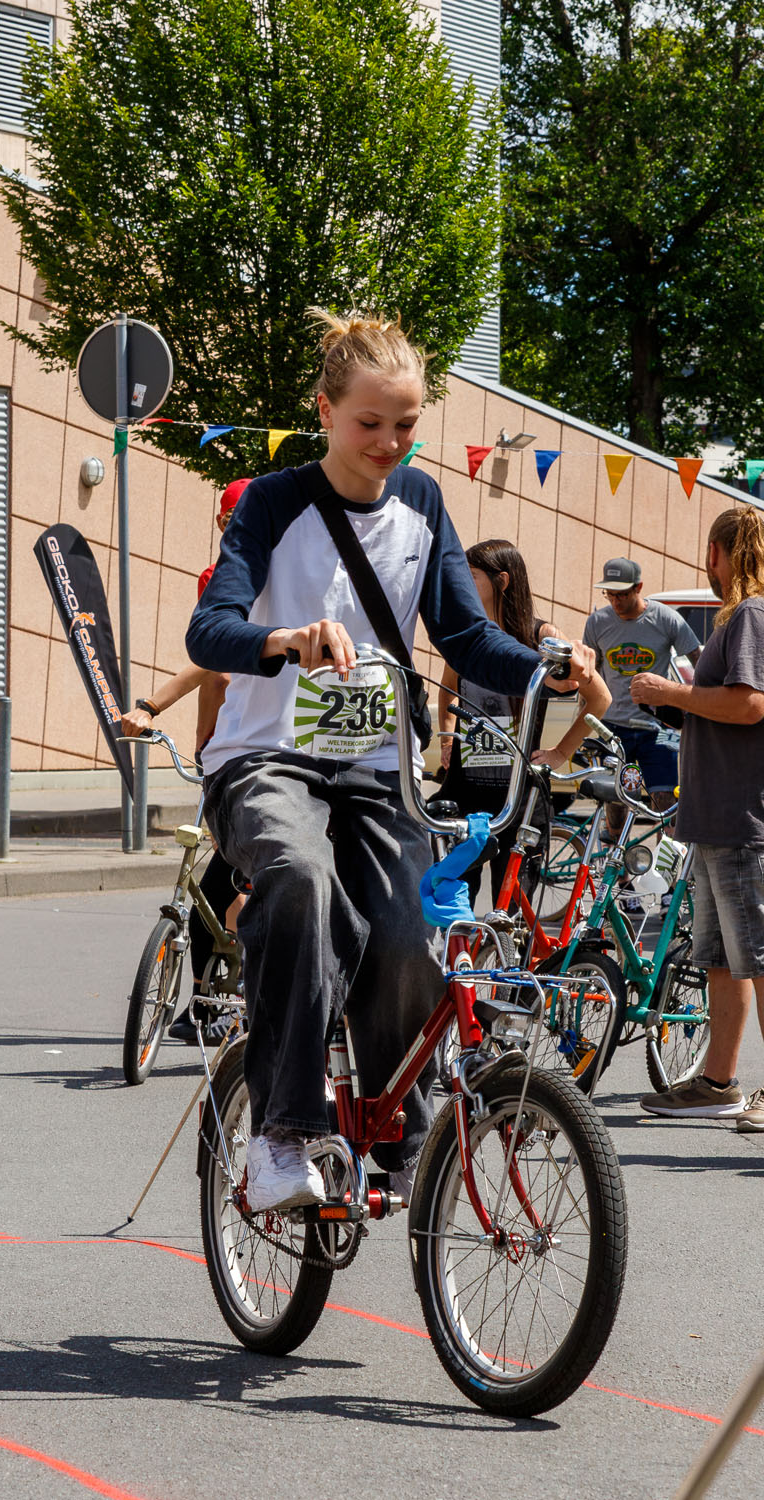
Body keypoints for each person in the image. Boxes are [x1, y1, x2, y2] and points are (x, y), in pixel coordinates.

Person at [186, 309, 595, 1212]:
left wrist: (548, 661)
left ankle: (397, 1137)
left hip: (375, 766)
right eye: (369, 423)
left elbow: (464, 635)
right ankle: (283, 1135)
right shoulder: (272, 503)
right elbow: (207, 629)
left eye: (406, 425)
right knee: (299, 878)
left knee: (414, 929)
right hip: (266, 759)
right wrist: (284, 639)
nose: (389, 443)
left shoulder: (422, 504)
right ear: (325, 411)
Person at [631, 508, 764, 1127]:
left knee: (758, 959)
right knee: (719, 957)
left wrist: (673, 694)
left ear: (718, 552)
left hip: (743, 819)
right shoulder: (737, 619)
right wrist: (680, 706)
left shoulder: (752, 615)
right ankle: (717, 1081)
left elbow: (750, 704)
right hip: (715, 819)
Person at [121, 479, 248, 1042]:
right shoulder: (215, 580)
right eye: (230, 521)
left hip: (264, 746)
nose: (237, 531)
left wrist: (152, 702)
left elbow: (220, 666)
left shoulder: (284, 580)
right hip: (222, 749)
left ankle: (247, 995)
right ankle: (204, 1000)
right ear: (221, 525)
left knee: (243, 886)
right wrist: (200, 746)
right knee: (212, 887)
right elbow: (211, 664)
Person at [437, 539, 611, 907]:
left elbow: (600, 699)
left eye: (471, 577)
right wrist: (448, 740)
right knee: (454, 905)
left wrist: (561, 752)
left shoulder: (542, 637)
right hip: (467, 793)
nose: (463, 585)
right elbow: (447, 690)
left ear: (502, 581)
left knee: (512, 911)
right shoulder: (468, 635)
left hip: (519, 797)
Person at [584, 556, 700, 837]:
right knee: (617, 799)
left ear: (639, 587)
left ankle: (666, 875)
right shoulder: (597, 623)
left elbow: (699, 660)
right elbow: (589, 673)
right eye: (610, 594)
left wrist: (695, 702)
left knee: (666, 803)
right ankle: (617, 876)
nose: (616, 601)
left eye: (622, 594)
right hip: (612, 727)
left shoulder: (665, 619)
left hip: (656, 727)